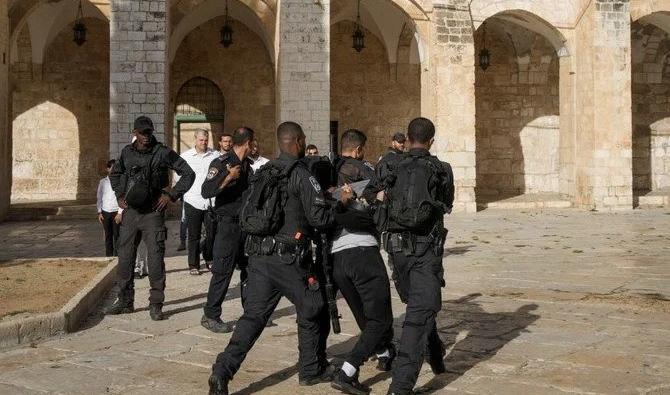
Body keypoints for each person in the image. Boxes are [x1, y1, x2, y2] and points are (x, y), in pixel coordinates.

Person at [208, 122, 352, 395]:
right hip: (289, 260)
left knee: (252, 317)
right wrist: (342, 203)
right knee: (313, 306)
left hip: (260, 259)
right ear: (297, 142)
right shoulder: (301, 174)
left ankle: (222, 371)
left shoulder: (265, 171)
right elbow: (319, 218)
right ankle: (311, 369)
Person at [382, 118, 454, 395]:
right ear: (431, 141)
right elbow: (447, 205)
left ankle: (435, 356)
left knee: (421, 305)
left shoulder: (389, 164)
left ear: (408, 138)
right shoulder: (441, 169)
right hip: (425, 252)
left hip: (396, 252)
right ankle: (400, 387)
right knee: (418, 314)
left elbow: (372, 194)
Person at [107, 115, 195, 321]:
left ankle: (156, 303)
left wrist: (170, 195)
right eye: (142, 133)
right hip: (131, 213)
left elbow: (188, 173)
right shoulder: (126, 153)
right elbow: (115, 173)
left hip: (153, 213)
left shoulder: (162, 152)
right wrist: (119, 195)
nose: (146, 137)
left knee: (155, 260)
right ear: (135, 133)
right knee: (125, 258)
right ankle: (125, 301)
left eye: (149, 133)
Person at [329, 129, 395, 395]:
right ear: (357, 150)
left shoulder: (327, 170)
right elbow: (380, 197)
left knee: (365, 316)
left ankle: (383, 351)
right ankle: (348, 371)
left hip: (337, 257)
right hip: (363, 252)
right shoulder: (364, 169)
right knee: (380, 318)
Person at [200, 127, 254, 333]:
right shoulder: (221, 163)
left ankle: (251, 313)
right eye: (253, 143)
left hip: (245, 227)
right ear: (248, 143)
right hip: (227, 226)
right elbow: (206, 191)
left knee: (250, 270)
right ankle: (210, 315)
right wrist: (228, 178)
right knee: (223, 271)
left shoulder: (249, 166)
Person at [180, 128, 220, 275]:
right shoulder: (186, 157)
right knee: (193, 235)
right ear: (195, 139)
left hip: (211, 201)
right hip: (193, 200)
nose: (203, 143)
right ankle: (193, 264)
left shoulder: (215, 155)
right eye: (201, 140)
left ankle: (209, 258)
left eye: (205, 140)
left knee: (212, 233)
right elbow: (180, 177)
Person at [97, 160, 120, 257]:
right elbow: (99, 196)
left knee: (117, 235)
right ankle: (109, 256)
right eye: (111, 168)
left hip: (116, 211)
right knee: (107, 235)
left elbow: (121, 197)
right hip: (106, 211)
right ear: (108, 169)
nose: (113, 170)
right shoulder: (103, 182)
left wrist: (120, 212)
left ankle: (117, 256)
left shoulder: (120, 181)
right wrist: (99, 212)